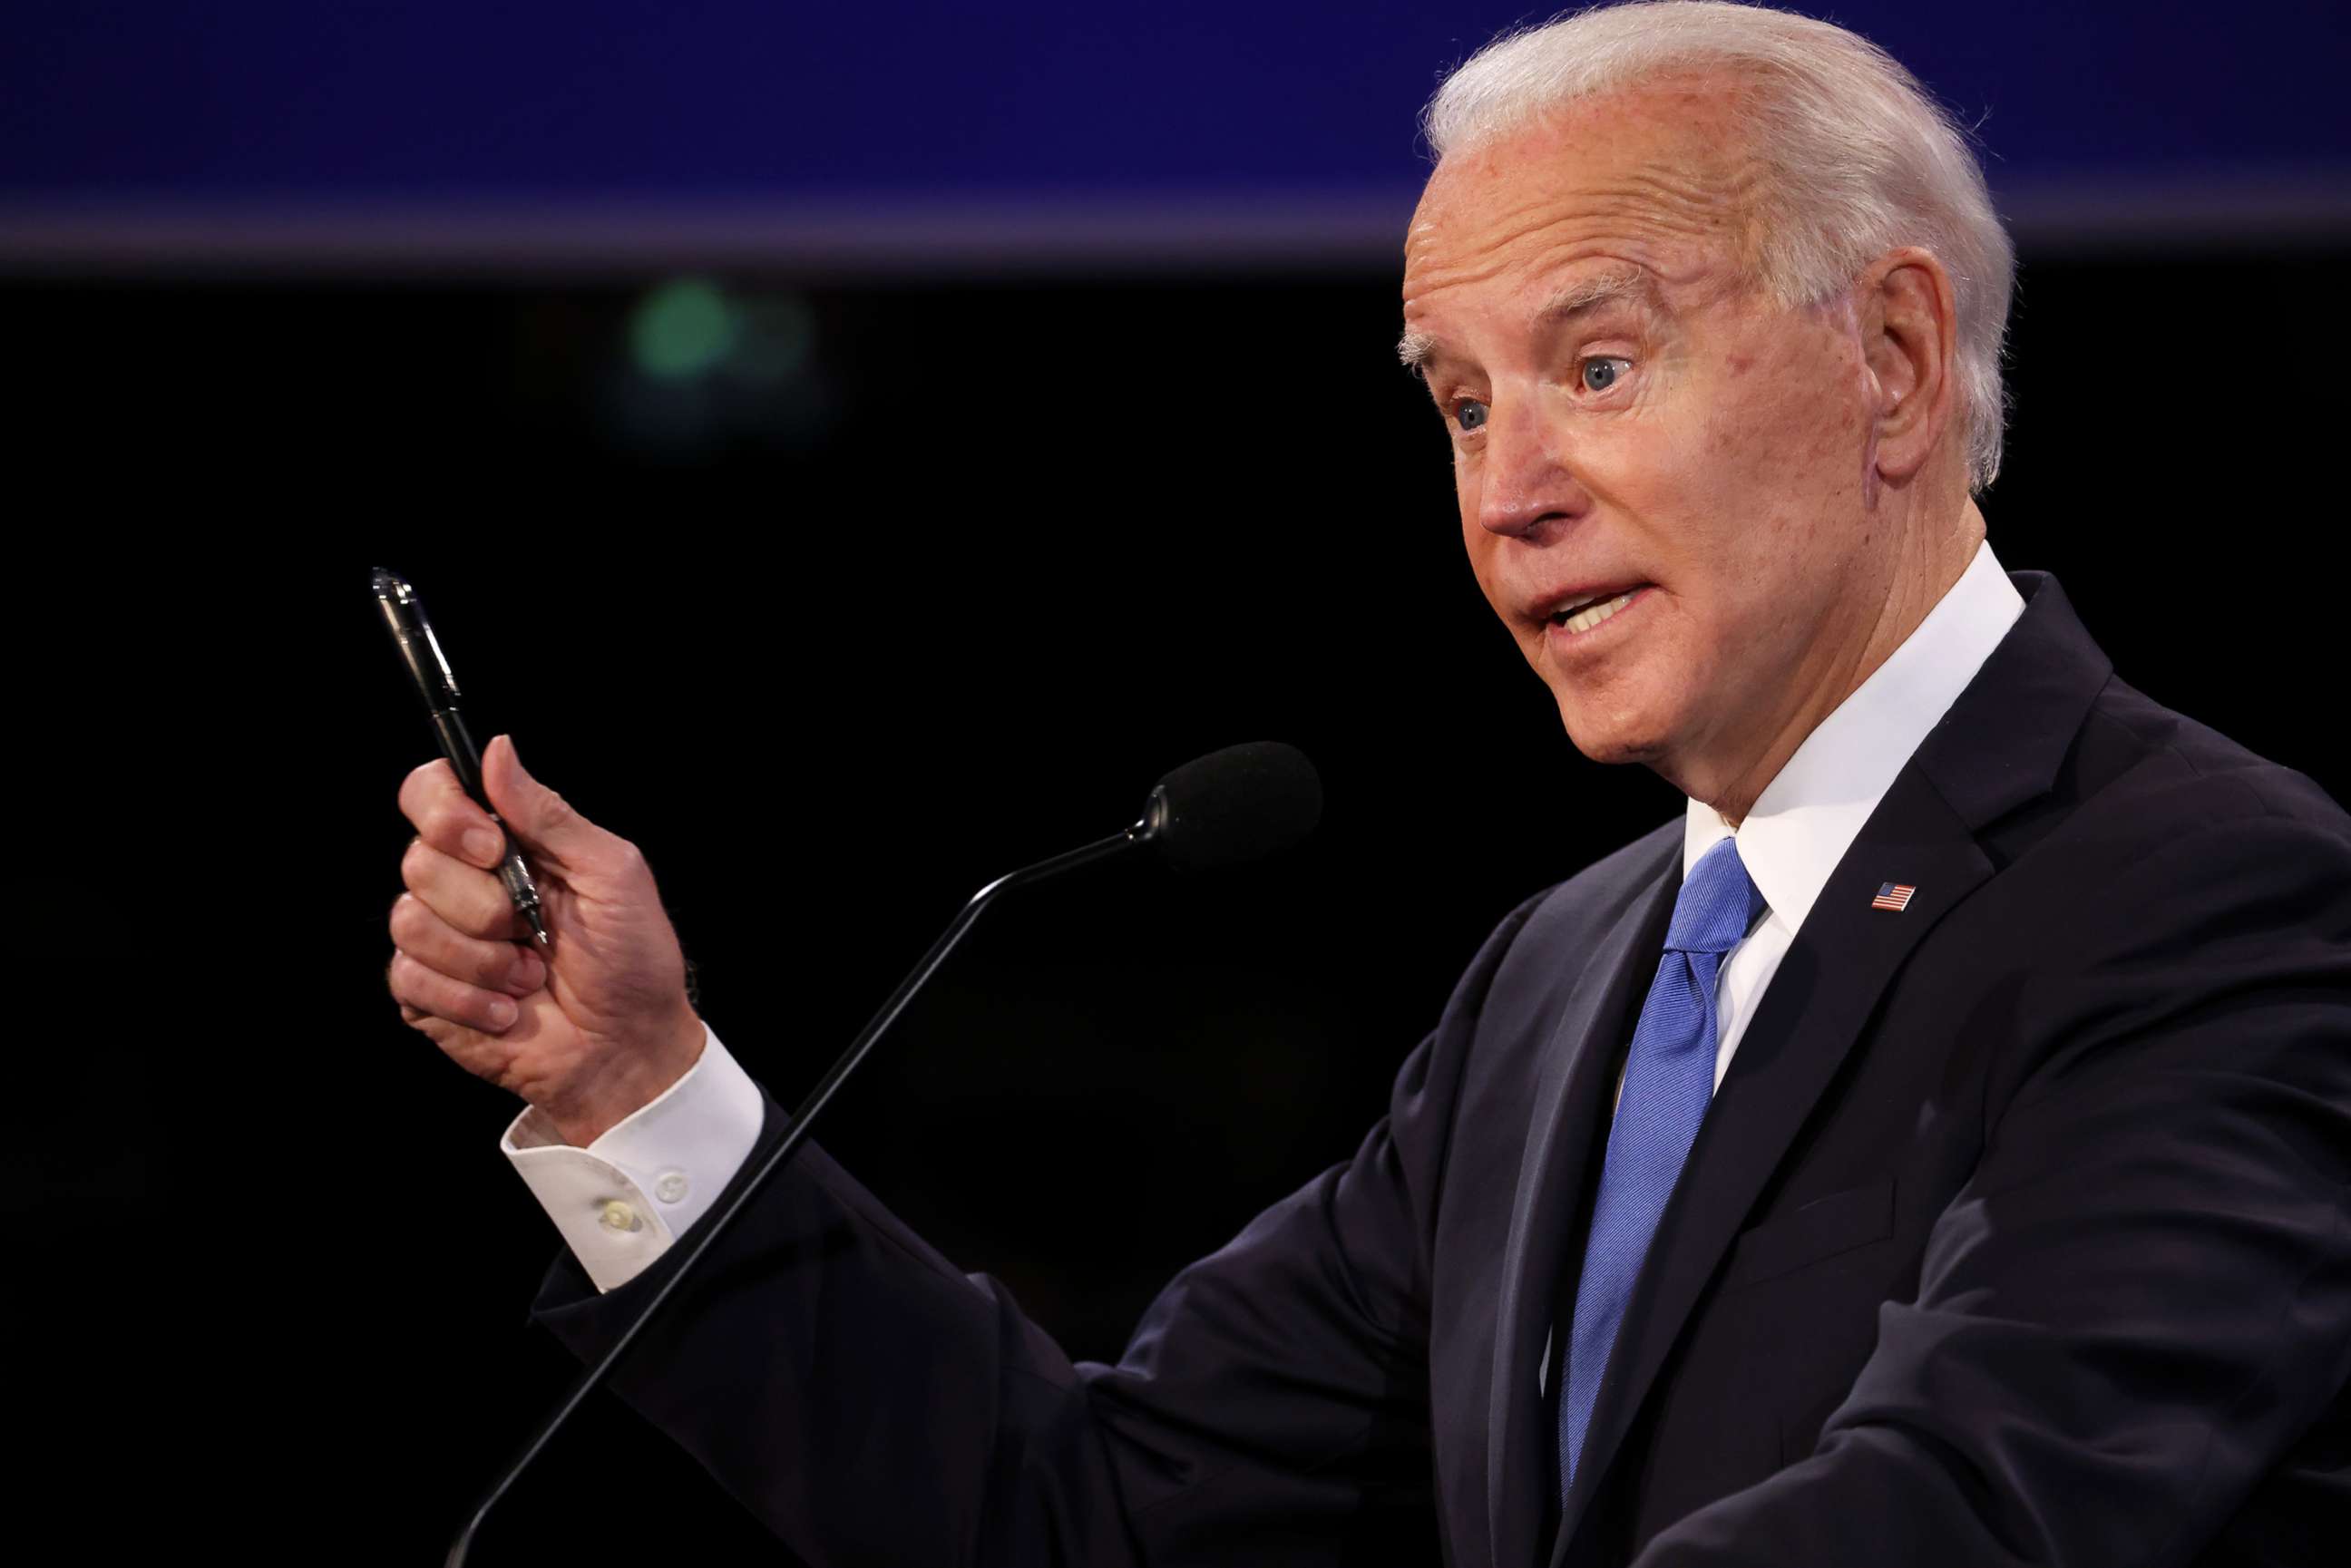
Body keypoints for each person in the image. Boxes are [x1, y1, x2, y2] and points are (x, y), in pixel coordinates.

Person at [385, 5, 2351, 1563]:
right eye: (1464, 404)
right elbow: (1096, 1512)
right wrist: (636, 1088)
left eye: (1598, 366)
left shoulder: (2216, 898)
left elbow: (1983, 1510)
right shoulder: (1558, 982)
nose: (1510, 493)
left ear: (1899, 362)